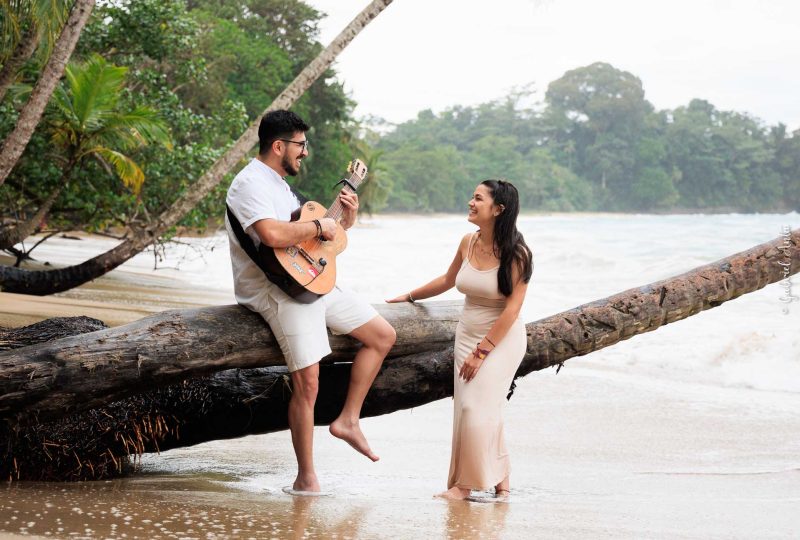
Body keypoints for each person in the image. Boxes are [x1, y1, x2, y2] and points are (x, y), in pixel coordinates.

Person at [226, 110, 396, 494]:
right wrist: (321, 225)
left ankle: (348, 420)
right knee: (308, 382)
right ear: (278, 146)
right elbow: (271, 234)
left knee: (382, 336)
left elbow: (318, 244)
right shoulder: (249, 184)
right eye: (301, 145)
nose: (305, 153)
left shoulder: (283, 187)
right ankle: (306, 478)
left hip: (309, 281)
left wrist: (343, 222)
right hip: (273, 288)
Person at [387, 179, 532, 500]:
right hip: (467, 333)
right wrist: (409, 296)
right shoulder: (468, 242)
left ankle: (464, 487)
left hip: (501, 339)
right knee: (481, 407)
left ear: (498, 209)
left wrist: (482, 352)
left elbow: (511, 311)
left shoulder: (517, 254)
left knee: (473, 408)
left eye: (478, 199)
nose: (471, 202)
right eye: (472, 196)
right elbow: (448, 280)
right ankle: (502, 482)